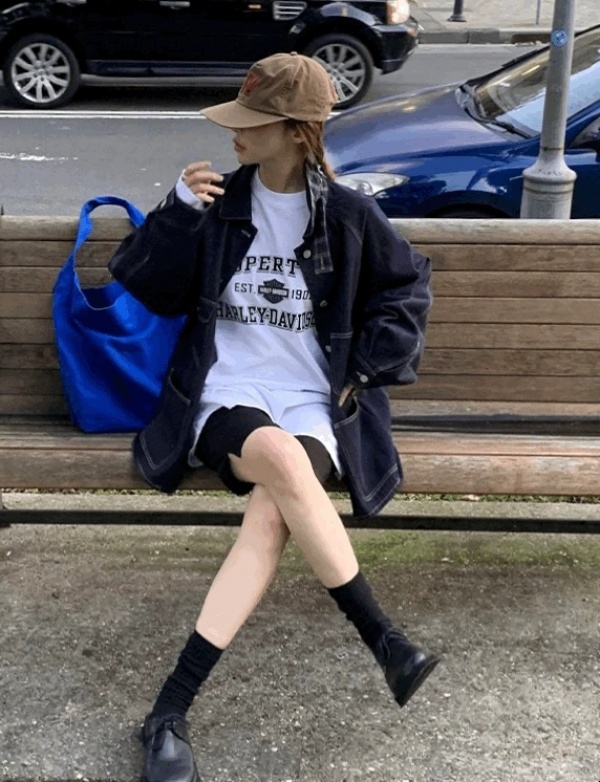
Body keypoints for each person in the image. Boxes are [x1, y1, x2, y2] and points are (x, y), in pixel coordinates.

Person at [108, 52, 438, 782]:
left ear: (296, 131)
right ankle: (384, 639)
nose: (235, 132)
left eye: (253, 121)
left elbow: (407, 291)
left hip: (313, 403)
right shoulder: (217, 203)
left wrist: (360, 372)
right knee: (285, 464)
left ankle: (168, 712)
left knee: (271, 512)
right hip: (225, 393)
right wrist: (176, 212)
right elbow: (149, 288)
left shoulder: (347, 215)